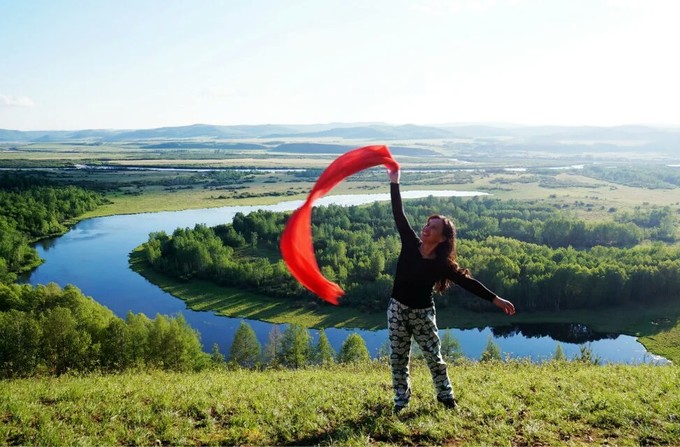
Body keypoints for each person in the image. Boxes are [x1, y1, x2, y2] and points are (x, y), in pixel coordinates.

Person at [387, 168, 515, 414]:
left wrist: (495, 299)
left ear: (443, 238)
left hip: (423, 314)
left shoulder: (442, 264)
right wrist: (395, 182)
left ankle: (446, 398)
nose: (426, 228)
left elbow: (468, 282)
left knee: (434, 358)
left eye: (433, 228)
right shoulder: (410, 244)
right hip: (397, 310)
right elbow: (398, 213)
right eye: (426, 224)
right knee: (398, 359)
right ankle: (401, 402)